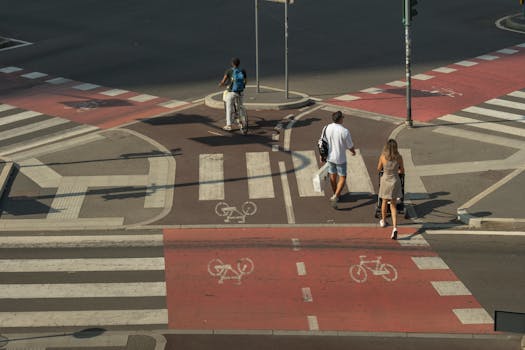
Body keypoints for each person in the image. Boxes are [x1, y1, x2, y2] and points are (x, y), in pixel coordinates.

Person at [321, 111, 356, 209]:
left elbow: (322, 142)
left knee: (333, 176)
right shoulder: (344, 131)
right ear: (340, 119)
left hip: (330, 157)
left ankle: (336, 194)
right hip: (340, 158)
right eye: (342, 118)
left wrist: (322, 155)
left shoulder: (326, 128)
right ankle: (336, 196)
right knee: (343, 177)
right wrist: (353, 151)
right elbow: (350, 145)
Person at [377, 139, 405, 240]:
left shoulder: (383, 157)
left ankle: (383, 220)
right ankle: (395, 228)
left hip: (385, 181)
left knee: (384, 201)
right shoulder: (399, 157)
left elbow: (378, 168)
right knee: (393, 205)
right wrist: (396, 169)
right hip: (395, 181)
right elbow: (402, 170)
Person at [218, 57, 247, 131]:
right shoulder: (243, 71)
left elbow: (223, 81)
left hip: (232, 92)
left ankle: (229, 125)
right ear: (239, 64)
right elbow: (245, 81)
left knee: (229, 107)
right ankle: (243, 121)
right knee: (240, 105)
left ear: (232, 64)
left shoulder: (229, 71)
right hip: (241, 92)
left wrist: (221, 84)